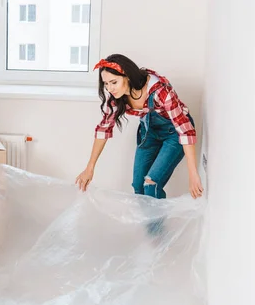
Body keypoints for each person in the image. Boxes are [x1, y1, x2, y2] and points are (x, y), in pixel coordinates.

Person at [76, 54, 203, 233]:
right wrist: (90, 167)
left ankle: (158, 238)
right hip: (149, 133)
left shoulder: (160, 90)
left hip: (174, 133)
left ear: (127, 77)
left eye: (114, 82)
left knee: (151, 183)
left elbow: (185, 129)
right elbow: (104, 129)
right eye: (106, 84)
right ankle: (151, 232)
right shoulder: (116, 99)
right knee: (138, 186)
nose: (110, 88)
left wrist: (193, 173)